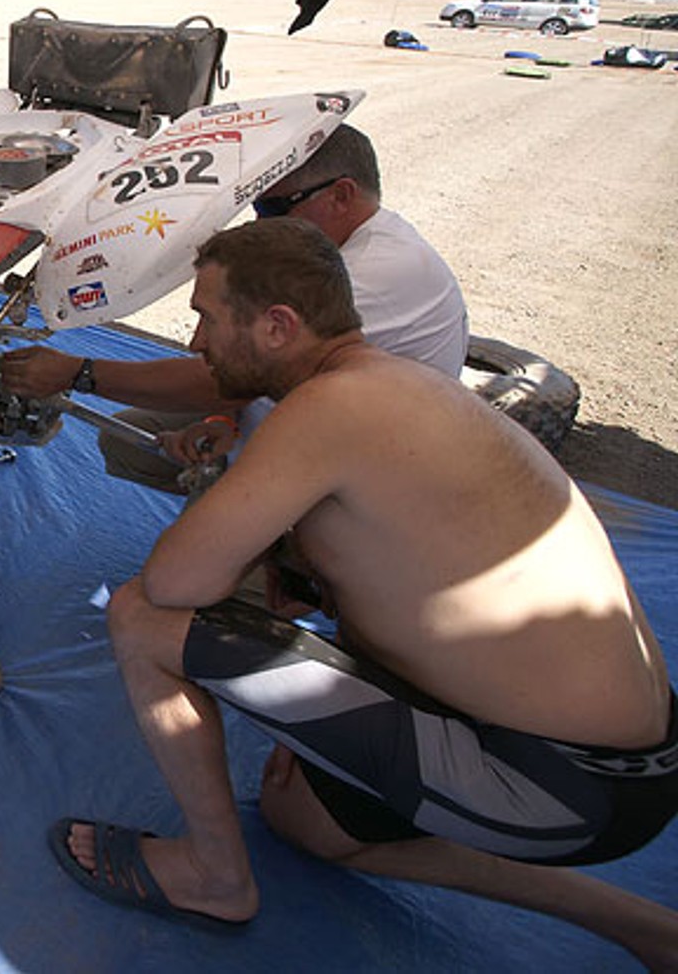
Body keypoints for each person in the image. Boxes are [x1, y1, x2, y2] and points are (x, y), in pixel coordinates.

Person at [47, 218, 677, 966]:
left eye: (207, 318)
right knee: (302, 818)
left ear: (278, 326)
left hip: (557, 785)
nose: (196, 343)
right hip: (627, 765)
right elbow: (401, 574)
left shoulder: (326, 408)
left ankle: (215, 877)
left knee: (143, 619)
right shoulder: (400, 385)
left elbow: (177, 583)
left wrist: (244, 516)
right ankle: (641, 926)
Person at [0, 123, 467, 490]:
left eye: (274, 209)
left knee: (181, 569)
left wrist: (78, 372)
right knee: (127, 441)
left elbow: (225, 378)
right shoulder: (344, 251)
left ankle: (263, 551)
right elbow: (244, 378)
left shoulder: (375, 274)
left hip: (368, 473)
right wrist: (226, 417)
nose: (262, 222)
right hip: (313, 419)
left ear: (341, 195)